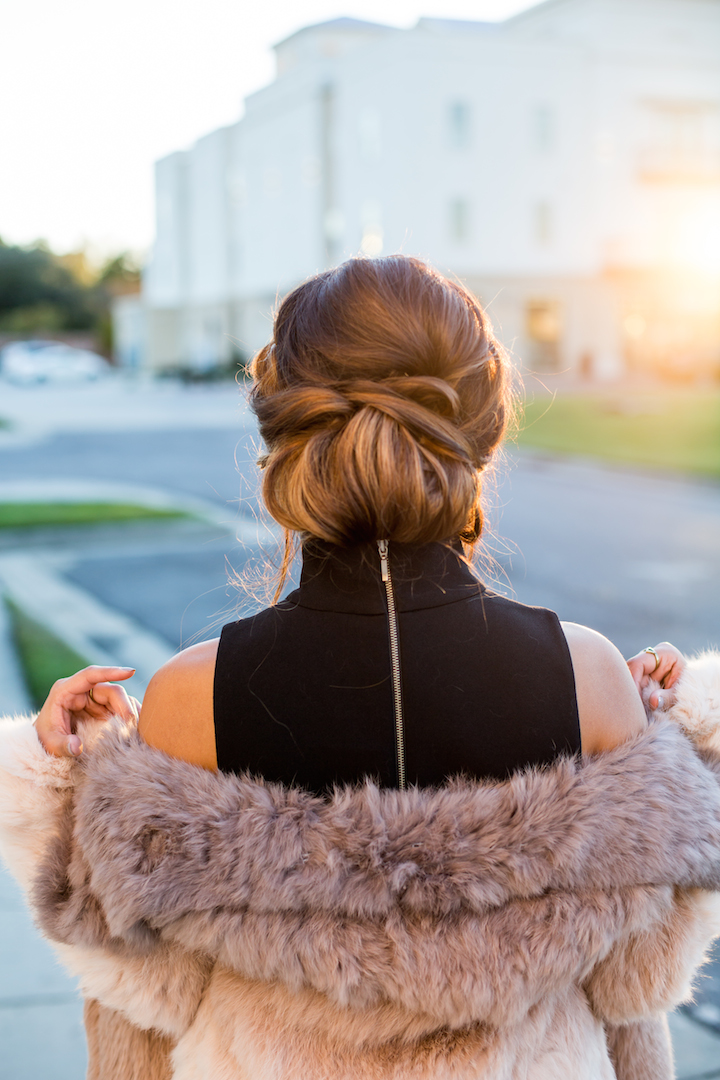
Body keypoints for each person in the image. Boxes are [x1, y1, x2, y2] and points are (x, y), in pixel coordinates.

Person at [1, 255, 720, 1080]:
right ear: (483, 429)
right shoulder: (590, 677)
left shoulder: (188, 700)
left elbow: (139, 1012)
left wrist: (79, 781)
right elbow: (638, 990)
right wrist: (669, 743)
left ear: (280, 430)